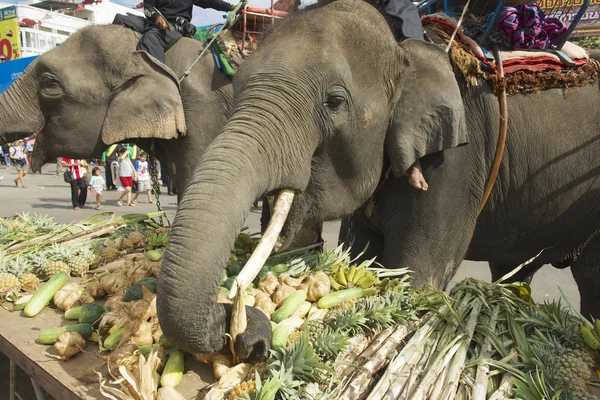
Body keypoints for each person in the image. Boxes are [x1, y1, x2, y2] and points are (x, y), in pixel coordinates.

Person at [113, 0, 236, 65]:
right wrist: (156, 17)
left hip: (174, 28)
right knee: (120, 18)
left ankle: (155, 81)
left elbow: (210, 1)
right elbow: (148, 8)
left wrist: (231, 7)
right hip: (151, 22)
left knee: (151, 39)